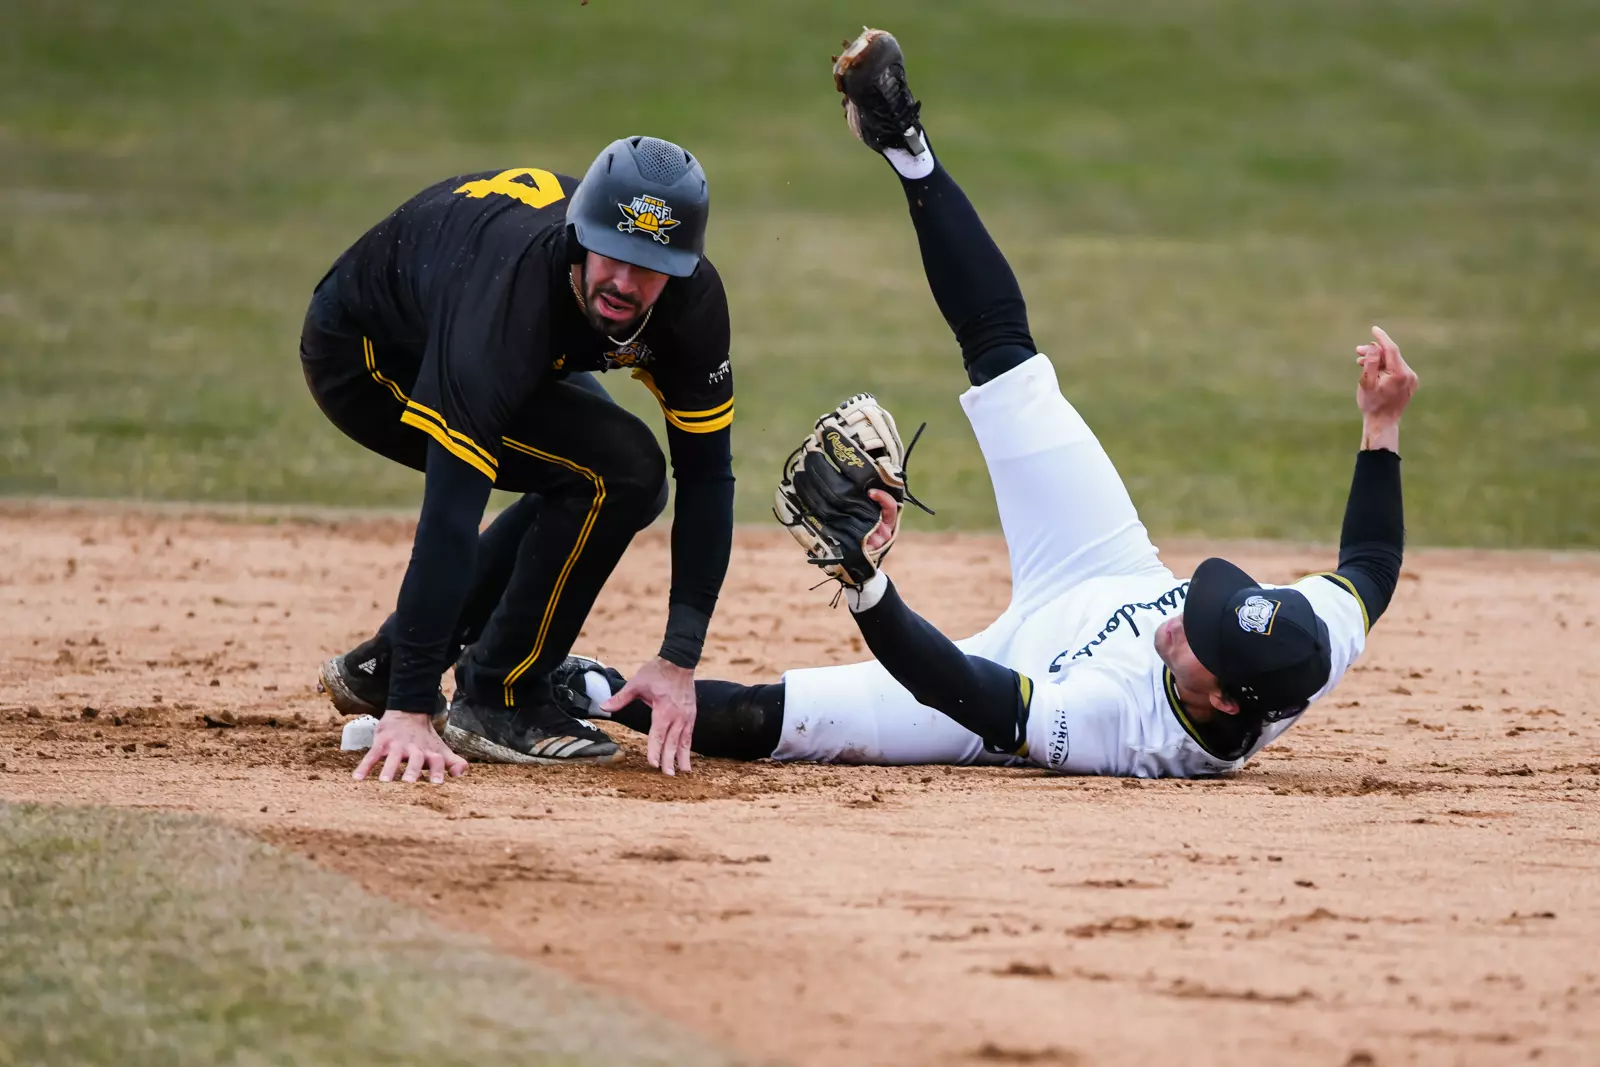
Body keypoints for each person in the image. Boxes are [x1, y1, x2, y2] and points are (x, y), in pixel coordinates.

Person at [556, 29, 1417, 778]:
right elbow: (1371, 567)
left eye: (1202, 632)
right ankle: (906, 146)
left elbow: (961, 687)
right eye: (1211, 601)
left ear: (1224, 700)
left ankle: (586, 689)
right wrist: (1381, 426)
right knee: (1011, 361)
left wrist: (866, 584)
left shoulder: (1121, 728)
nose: (1191, 610)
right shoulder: (1303, 638)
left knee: (789, 720)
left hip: (1009, 677)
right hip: (1107, 565)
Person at [301, 136, 736, 783]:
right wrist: (410, 708)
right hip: (369, 353)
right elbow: (450, 514)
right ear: (580, 237)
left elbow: (706, 476)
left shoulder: (691, 304)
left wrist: (679, 658)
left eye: (648, 265)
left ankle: (388, 664)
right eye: (613, 255)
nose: (624, 282)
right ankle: (497, 697)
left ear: (681, 267)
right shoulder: (507, 307)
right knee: (618, 470)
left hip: (490, 325)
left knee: (625, 478)